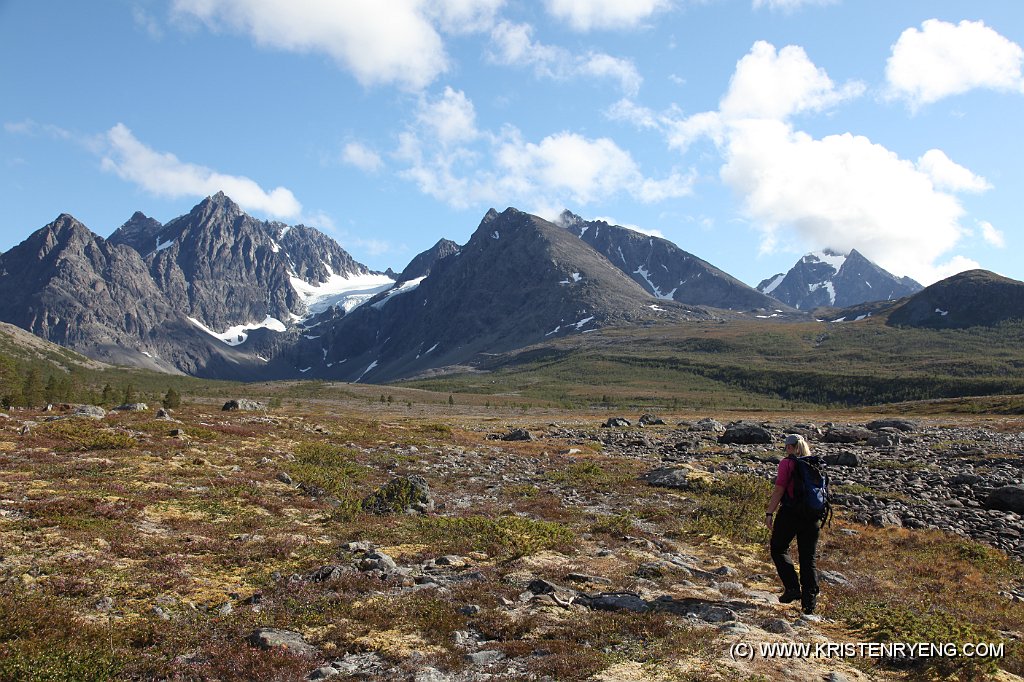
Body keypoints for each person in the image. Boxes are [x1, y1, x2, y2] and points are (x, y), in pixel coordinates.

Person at [765, 433, 820, 614]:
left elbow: (779, 488)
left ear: (789, 447)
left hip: (791, 513)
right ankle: (809, 604)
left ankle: (792, 588)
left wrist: (769, 512)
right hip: (812, 516)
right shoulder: (814, 463)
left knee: (778, 548)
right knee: (808, 558)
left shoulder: (787, 463)